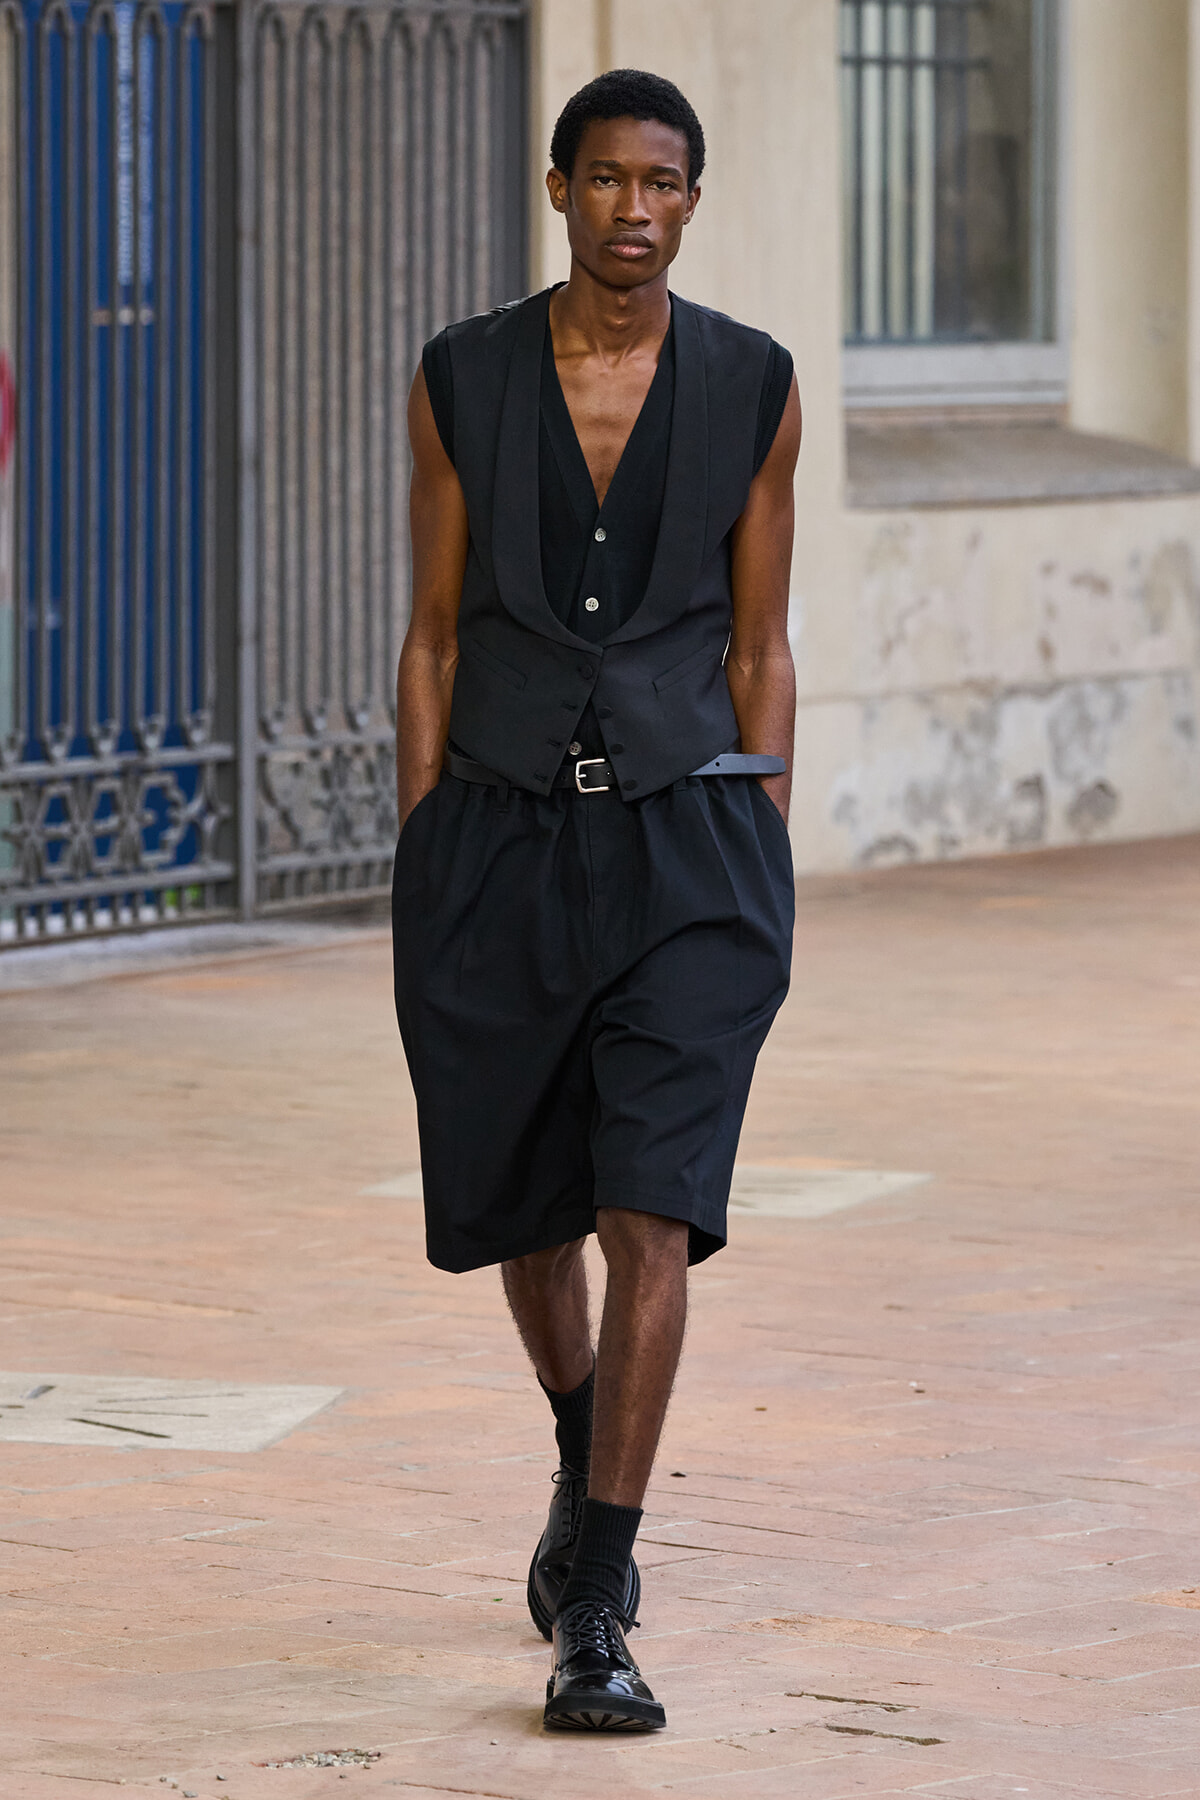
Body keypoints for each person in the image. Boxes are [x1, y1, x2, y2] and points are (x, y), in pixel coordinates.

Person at [392, 67, 801, 1733]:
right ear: (557, 188)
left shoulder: (757, 382)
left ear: (694, 201)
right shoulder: (461, 376)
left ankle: (601, 1607)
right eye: (609, 178)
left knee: (652, 1200)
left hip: (689, 849)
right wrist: (424, 842)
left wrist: (762, 834)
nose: (638, 207)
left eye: (668, 183)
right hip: (493, 839)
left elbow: (761, 640)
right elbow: (428, 631)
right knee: (531, 1202)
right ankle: (580, 1446)